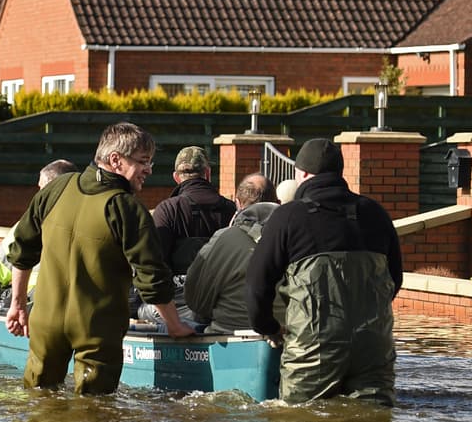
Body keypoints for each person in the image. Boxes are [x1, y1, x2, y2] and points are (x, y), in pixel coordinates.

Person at [5, 122, 194, 393]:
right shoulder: (127, 207)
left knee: (38, 403)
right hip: (97, 330)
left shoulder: (56, 188)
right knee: (96, 413)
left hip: (45, 322)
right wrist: (174, 325)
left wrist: (18, 305)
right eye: (143, 161)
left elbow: (21, 251)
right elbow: (151, 277)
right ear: (115, 160)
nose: (149, 170)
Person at [246, 138, 401, 406]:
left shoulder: (288, 217)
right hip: (373, 348)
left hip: (312, 350)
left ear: (303, 174)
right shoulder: (375, 213)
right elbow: (395, 279)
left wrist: (268, 327)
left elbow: (257, 284)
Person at [0, 159, 77, 314]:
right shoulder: (97, 214)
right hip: (88, 306)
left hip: (39, 305)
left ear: (49, 189)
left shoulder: (35, 220)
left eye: (41, 188)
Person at [184, 173, 279, 334]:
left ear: (237, 203)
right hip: (283, 334)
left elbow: (195, 299)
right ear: (278, 202)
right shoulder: (296, 235)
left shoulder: (224, 238)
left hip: (229, 333)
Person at [152, 145, 237, 275]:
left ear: (176, 177)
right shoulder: (231, 208)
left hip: (179, 293)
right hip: (221, 292)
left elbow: (156, 260)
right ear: (207, 173)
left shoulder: (168, 209)